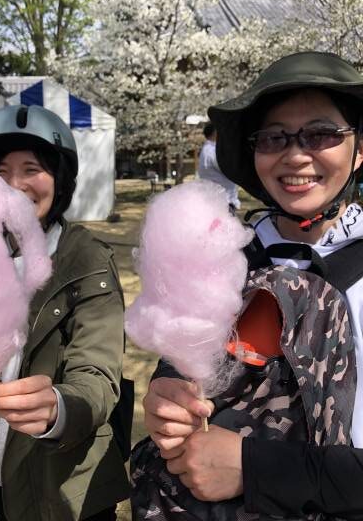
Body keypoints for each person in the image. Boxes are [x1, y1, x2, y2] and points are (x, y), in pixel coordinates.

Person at [141, 51, 363, 518]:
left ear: (359, 149)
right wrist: (166, 396)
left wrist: (254, 467)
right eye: (273, 138)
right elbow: (182, 370)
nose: (296, 154)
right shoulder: (221, 258)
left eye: (322, 133)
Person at [0, 104, 129, 521]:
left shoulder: (87, 260)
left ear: (60, 178)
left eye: (31, 169)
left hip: (65, 491)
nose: (15, 186)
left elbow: (97, 375)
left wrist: (58, 407)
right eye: (1, 173)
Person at [198, 122, 240, 212]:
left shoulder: (207, 149)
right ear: (215, 133)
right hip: (223, 200)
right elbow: (228, 169)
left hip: (216, 198)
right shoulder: (213, 151)